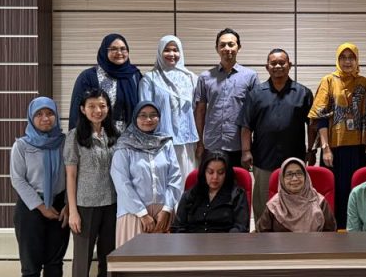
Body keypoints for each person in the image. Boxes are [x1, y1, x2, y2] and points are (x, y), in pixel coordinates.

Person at [9, 97, 69, 277]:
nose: (45, 118)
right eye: (39, 114)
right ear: (31, 118)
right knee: (31, 264)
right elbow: (18, 180)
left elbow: (73, 175)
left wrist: (68, 205)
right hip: (31, 208)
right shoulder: (22, 146)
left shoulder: (65, 143)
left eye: (50, 113)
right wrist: (41, 207)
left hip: (60, 206)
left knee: (54, 262)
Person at [63, 89, 118, 277]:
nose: (98, 110)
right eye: (92, 106)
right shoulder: (74, 136)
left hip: (112, 204)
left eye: (102, 106)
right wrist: (73, 210)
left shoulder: (115, 134)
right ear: (83, 109)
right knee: (82, 260)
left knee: (108, 258)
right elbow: (70, 175)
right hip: (85, 206)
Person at [238, 48, 314, 221]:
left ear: (290, 65)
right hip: (264, 157)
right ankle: (262, 233)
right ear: (267, 67)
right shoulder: (256, 94)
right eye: (273, 63)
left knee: (295, 200)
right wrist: (246, 151)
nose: (278, 66)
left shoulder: (303, 93)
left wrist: (311, 150)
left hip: (294, 157)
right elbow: (245, 125)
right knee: (263, 202)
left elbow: (312, 126)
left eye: (282, 62)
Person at [309, 42, 366, 229]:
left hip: (359, 149)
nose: (347, 61)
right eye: (343, 57)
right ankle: (335, 232)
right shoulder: (329, 81)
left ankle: (356, 231)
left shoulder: (364, 83)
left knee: (357, 190)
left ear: (357, 60)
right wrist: (325, 148)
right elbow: (320, 116)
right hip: (334, 149)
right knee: (336, 191)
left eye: (351, 57)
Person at [110, 101, 183, 246]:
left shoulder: (165, 143)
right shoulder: (124, 145)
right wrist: (142, 214)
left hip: (163, 214)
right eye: (142, 115)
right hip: (134, 213)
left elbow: (175, 178)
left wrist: (167, 209)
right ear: (135, 118)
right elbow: (122, 183)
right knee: (135, 257)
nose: (148, 119)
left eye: (153, 115)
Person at [194, 27, 258, 168]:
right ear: (217, 49)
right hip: (211, 144)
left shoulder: (251, 76)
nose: (227, 48)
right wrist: (199, 143)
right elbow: (200, 111)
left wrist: (248, 149)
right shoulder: (205, 77)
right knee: (212, 180)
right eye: (222, 45)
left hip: (239, 146)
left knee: (238, 181)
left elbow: (254, 114)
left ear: (239, 47)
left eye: (231, 44)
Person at [139, 35, 199, 180]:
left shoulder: (191, 78)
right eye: (167, 50)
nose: (172, 54)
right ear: (160, 52)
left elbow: (197, 111)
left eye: (175, 50)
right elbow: (144, 113)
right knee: (163, 182)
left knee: (187, 181)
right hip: (160, 142)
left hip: (186, 143)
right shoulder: (150, 79)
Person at [68, 33, 142, 132]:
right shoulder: (88, 76)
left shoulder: (134, 76)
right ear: (104, 51)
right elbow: (77, 109)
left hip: (130, 136)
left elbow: (142, 108)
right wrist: (77, 136)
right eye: (113, 49)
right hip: (98, 135)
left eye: (123, 49)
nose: (119, 52)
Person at [172, 151, 249, 233]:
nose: (215, 177)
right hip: (193, 239)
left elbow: (240, 227)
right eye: (210, 172)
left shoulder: (237, 195)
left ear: (227, 174)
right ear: (204, 172)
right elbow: (178, 227)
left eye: (220, 173)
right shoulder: (190, 194)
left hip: (225, 239)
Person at [256, 157, 337, 233]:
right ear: (282, 179)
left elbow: (330, 233)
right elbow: (262, 234)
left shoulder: (320, 202)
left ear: (306, 177)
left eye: (299, 173)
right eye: (289, 174)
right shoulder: (274, 205)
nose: (294, 179)